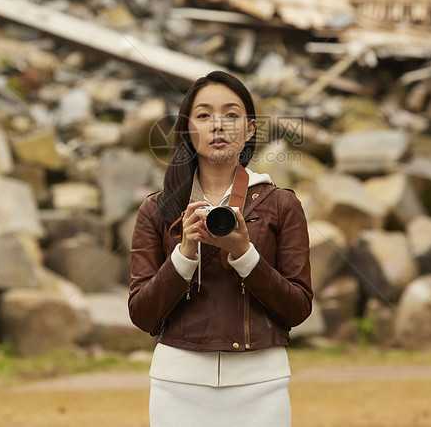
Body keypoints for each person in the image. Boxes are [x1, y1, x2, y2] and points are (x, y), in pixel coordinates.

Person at [128, 70, 313, 427]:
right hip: (177, 383)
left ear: (250, 129)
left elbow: (298, 307)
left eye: (231, 115)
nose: (218, 125)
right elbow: (142, 313)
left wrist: (245, 255)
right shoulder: (157, 209)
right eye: (203, 115)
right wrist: (183, 254)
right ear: (187, 130)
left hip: (262, 383)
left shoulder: (281, 204)